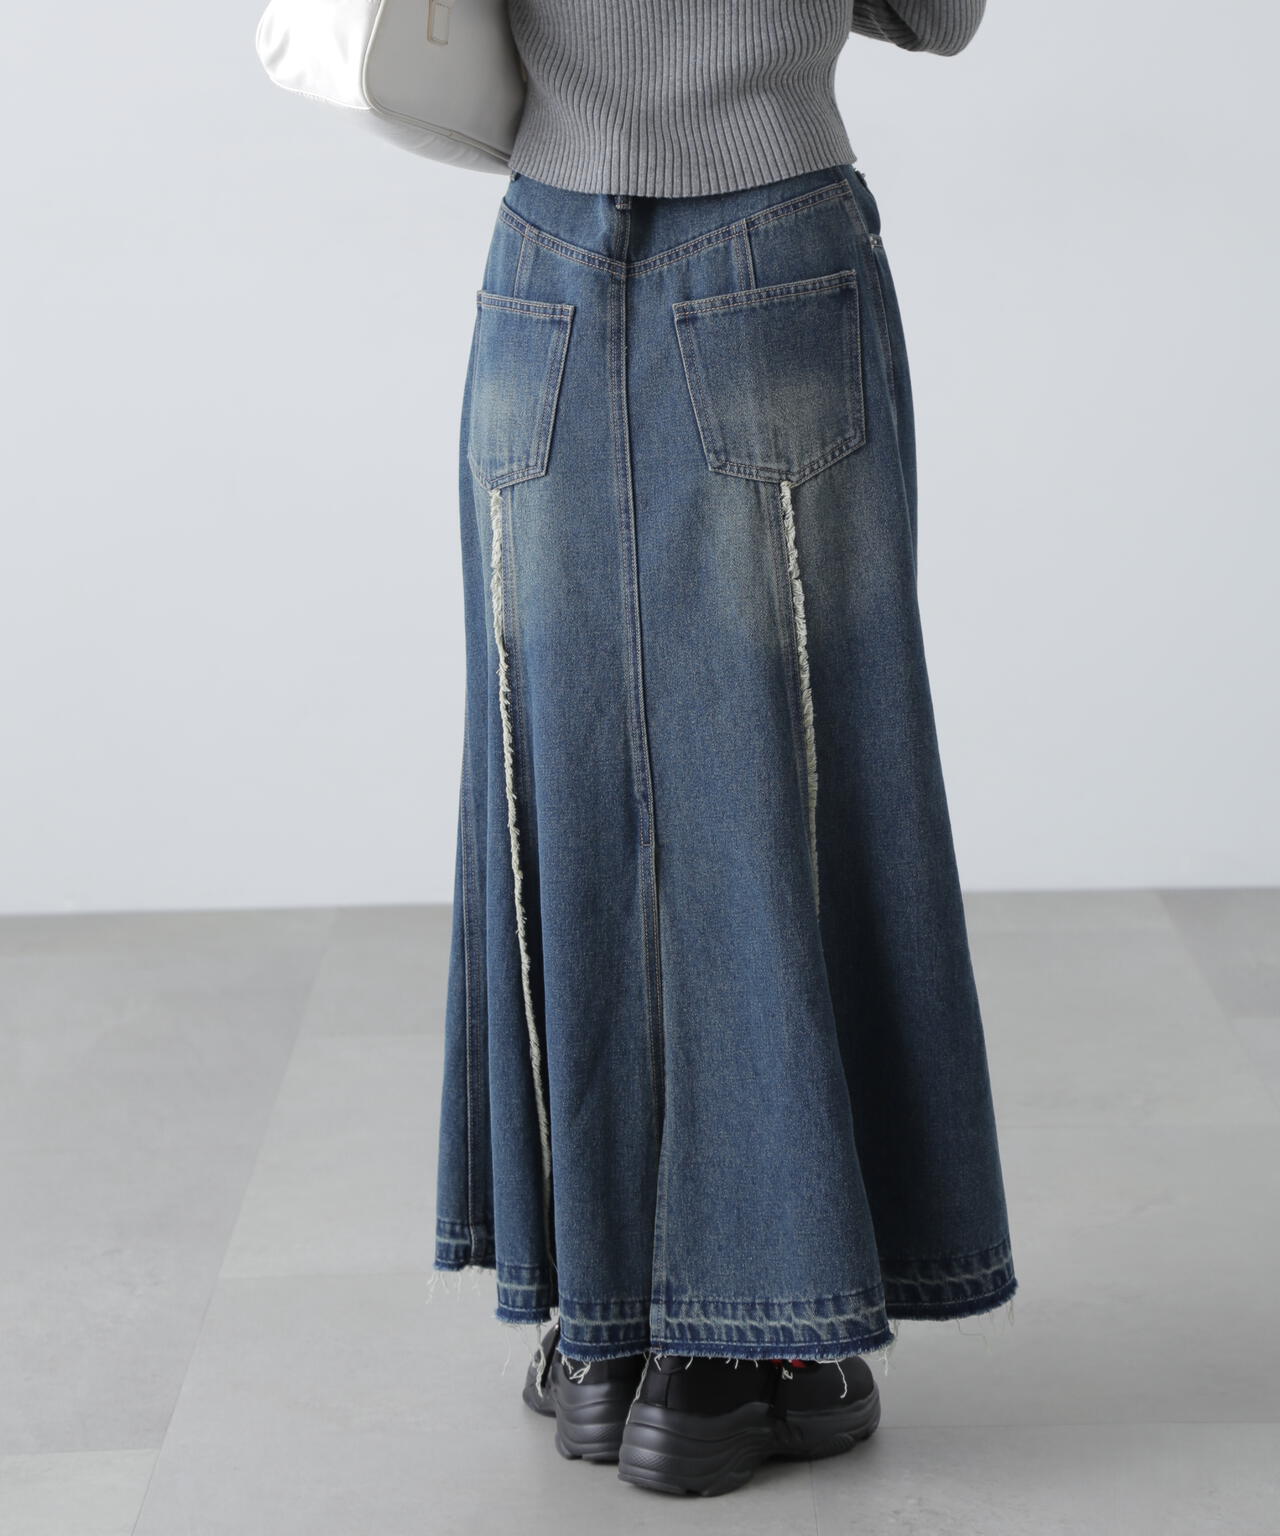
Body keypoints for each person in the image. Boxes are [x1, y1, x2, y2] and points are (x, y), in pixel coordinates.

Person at [432, 0, 1016, 1498]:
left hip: (545, 258)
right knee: (784, 783)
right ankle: (737, 1352)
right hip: (770, 241)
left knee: (563, 780)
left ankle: (602, 1332)